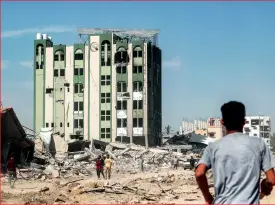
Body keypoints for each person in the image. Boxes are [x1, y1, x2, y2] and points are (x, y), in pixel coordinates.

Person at [195, 101, 275, 204]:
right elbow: (272, 179)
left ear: (222, 122)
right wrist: (264, 184)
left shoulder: (213, 147)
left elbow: (199, 173)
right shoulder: (259, 144)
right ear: (244, 122)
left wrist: (207, 197)